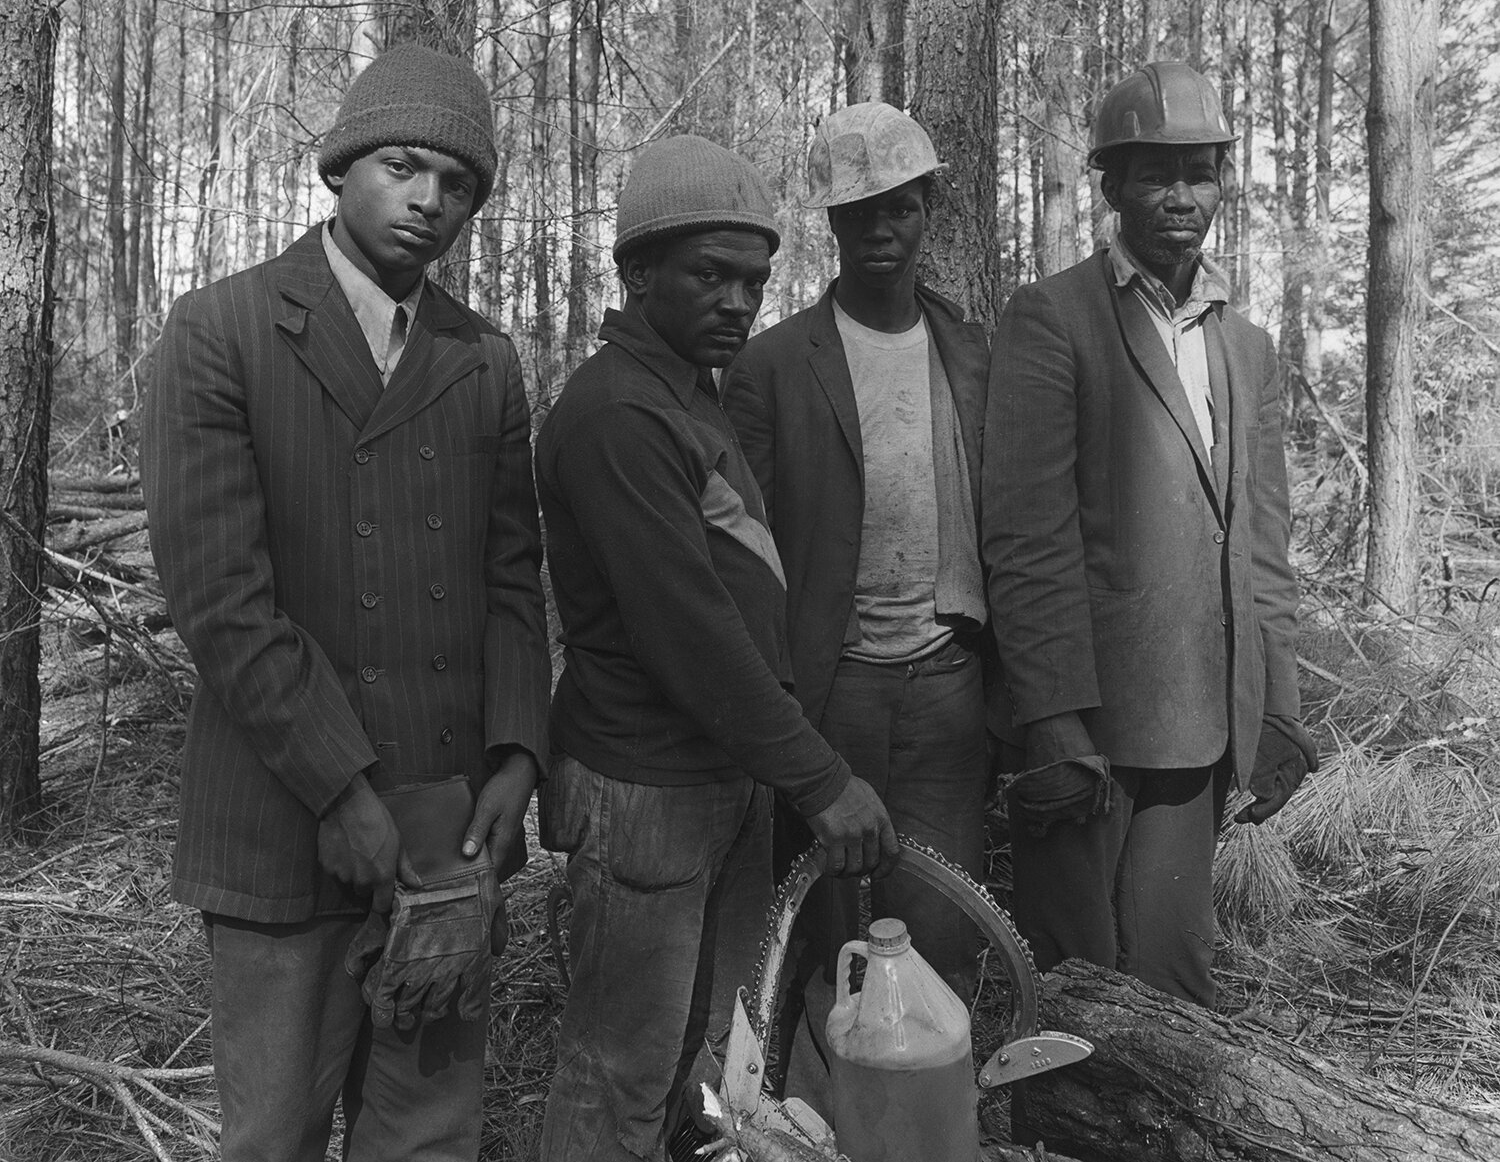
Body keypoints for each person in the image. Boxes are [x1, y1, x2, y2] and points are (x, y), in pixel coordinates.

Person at [141, 44, 551, 1161]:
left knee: (427, 1137)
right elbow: (221, 598)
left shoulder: (483, 361)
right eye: (403, 167)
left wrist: (518, 753)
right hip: (281, 831)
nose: (428, 200)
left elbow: (514, 578)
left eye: (457, 184)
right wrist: (339, 787)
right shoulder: (220, 333)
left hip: (444, 835)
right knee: (272, 1135)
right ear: (339, 170)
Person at [535, 133, 898, 1162]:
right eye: (710, 274)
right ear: (637, 272)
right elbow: (687, 634)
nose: (739, 300)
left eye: (754, 279)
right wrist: (819, 776)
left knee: (689, 1056)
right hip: (645, 788)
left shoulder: (687, 396)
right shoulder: (617, 413)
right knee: (618, 1067)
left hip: (713, 779)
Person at [983, 59, 1316, 1009]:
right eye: (1154, 173)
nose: (1181, 195)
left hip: (1202, 726)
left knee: (1175, 981)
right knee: (1072, 988)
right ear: (1113, 185)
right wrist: (1050, 722)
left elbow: (1262, 545)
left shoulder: (1245, 346)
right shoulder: (1051, 319)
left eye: (1200, 172)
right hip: (1085, 726)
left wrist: (1278, 709)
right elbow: (1026, 535)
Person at [721, 102, 993, 1007]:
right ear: (832, 223)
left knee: (941, 937)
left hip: (948, 685)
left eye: (899, 206)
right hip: (829, 686)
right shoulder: (771, 366)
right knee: (825, 938)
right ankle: (822, 1126)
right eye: (858, 210)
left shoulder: (971, 352)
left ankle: (928, 1114)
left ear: (926, 214)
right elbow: (742, 558)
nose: (880, 226)